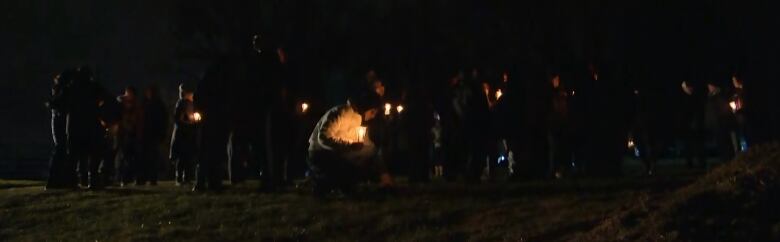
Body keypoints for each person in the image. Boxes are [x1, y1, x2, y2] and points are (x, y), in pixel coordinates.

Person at [307, 91, 392, 196]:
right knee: (370, 152)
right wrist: (349, 146)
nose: (373, 116)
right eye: (372, 111)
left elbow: (365, 145)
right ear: (366, 107)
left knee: (371, 150)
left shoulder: (358, 120)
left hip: (337, 153)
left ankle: (385, 183)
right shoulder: (342, 112)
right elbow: (324, 138)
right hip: (321, 153)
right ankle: (326, 180)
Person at [66, 66, 110, 189]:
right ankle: (92, 180)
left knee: (75, 156)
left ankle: (74, 180)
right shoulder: (94, 87)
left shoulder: (72, 87)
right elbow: (105, 97)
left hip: (75, 126)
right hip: (90, 125)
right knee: (93, 155)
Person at [45, 69, 77, 189]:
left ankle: (57, 179)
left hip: (58, 121)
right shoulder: (65, 91)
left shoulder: (59, 90)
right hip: (61, 122)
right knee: (61, 149)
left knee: (60, 149)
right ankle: (57, 180)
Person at [138, 85, 168, 186]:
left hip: (153, 135)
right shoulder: (145, 104)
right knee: (143, 158)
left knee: (152, 158)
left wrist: (162, 134)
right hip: (144, 135)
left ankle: (151, 179)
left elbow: (164, 121)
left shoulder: (158, 105)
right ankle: (142, 179)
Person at [170, 84, 199, 186]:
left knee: (188, 157)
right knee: (182, 157)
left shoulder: (191, 104)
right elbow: (178, 119)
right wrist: (189, 123)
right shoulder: (182, 103)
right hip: (182, 134)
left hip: (189, 133)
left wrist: (195, 121)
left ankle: (187, 177)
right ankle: (179, 178)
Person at [547, 74, 573, 178]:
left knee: (562, 148)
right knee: (554, 149)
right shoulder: (552, 94)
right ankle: (554, 170)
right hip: (555, 124)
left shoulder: (562, 93)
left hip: (562, 124)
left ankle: (563, 169)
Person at [116, 86, 142, 186]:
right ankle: (124, 178)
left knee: (132, 157)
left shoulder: (136, 106)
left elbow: (139, 120)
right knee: (124, 157)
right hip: (124, 133)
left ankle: (133, 178)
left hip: (133, 134)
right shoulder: (121, 103)